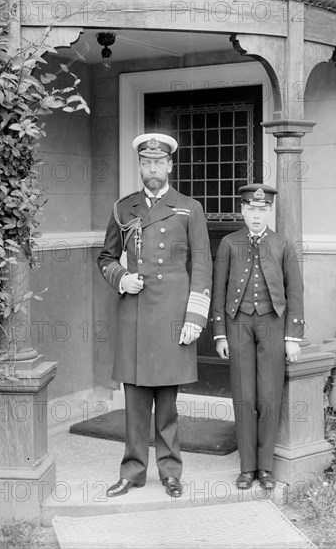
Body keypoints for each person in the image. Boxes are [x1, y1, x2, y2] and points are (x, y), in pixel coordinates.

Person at [97, 133, 212, 498]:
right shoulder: (123, 208)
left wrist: (194, 317)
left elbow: (203, 263)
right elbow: (106, 257)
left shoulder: (189, 208)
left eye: (159, 163)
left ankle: (170, 471)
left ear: (169, 166)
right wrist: (122, 278)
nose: (152, 169)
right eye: (146, 163)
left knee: (167, 402)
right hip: (135, 313)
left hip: (173, 314)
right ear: (141, 167)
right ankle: (132, 472)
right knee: (133, 401)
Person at [211, 183, 304, 490]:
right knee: (244, 396)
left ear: (269, 211)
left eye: (262, 210)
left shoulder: (282, 245)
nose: (255, 215)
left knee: (268, 397)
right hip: (238, 325)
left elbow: (295, 292)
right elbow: (219, 291)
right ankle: (246, 467)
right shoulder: (228, 244)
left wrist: (292, 336)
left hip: (272, 325)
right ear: (242, 210)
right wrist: (220, 334)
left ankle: (265, 468)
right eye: (250, 209)